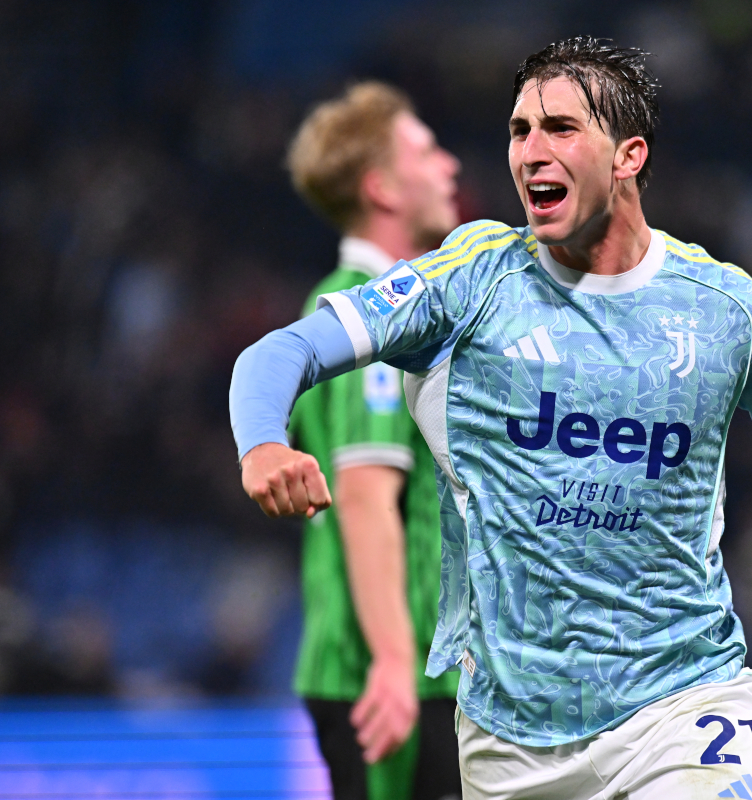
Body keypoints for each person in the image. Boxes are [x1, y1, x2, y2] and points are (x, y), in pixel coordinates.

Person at [231, 38, 752, 800]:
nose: (530, 151)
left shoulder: (726, 311)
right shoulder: (466, 282)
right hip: (508, 736)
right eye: (519, 130)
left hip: (682, 705)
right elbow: (282, 352)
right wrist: (262, 440)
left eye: (560, 128)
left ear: (628, 156)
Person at [282, 81, 463, 800]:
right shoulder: (358, 318)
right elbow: (363, 495)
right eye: (425, 149)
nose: (448, 165)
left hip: (419, 670)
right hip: (385, 681)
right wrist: (394, 661)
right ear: (381, 186)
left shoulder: (393, 311)